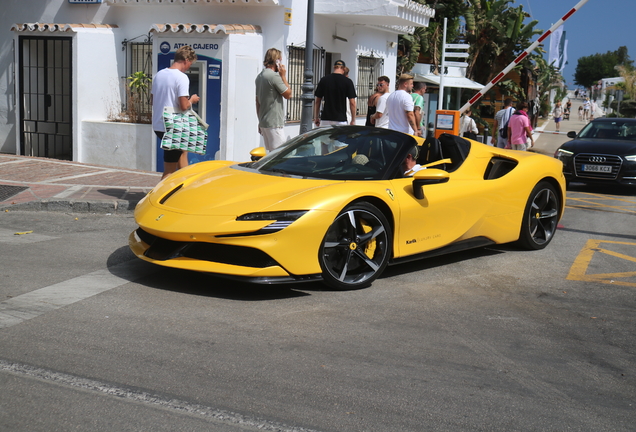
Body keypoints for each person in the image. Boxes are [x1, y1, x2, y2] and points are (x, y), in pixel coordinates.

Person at [152, 45, 200, 180]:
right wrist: (192, 100)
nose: (190, 66)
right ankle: (160, 197)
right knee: (169, 170)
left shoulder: (159, 75)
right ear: (186, 59)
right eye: (191, 63)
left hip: (159, 125)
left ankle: (185, 188)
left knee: (182, 153)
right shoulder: (182, 77)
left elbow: (152, 100)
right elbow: (184, 105)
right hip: (172, 127)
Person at [255, 48, 292, 151]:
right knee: (280, 154)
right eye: (280, 59)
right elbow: (288, 95)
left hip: (264, 122)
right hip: (274, 122)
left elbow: (257, 102)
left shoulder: (259, 77)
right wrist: (283, 76)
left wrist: (260, 121)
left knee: (272, 154)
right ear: (277, 61)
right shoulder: (274, 77)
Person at [314, 60, 357, 127]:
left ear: (334, 68)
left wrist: (316, 117)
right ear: (344, 69)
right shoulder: (348, 82)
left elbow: (317, 101)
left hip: (325, 118)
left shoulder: (324, 80)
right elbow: (352, 103)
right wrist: (353, 120)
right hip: (340, 119)